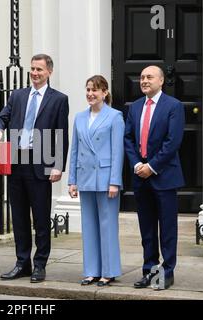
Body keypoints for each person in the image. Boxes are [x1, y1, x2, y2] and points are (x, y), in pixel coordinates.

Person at [0, 54, 69, 283]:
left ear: (49, 72)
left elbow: (61, 135)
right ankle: (21, 262)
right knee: (19, 217)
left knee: (41, 219)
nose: (35, 73)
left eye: (39, 70)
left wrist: (58, 166)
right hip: (15, 163)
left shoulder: (58, 99)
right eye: (32, 69)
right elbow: (1, 118)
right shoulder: (18, 95)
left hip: (41, 164)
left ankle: (40, 264)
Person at [124, 65, 185, 290]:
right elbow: (128, 138)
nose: (144, 81)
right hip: (141, 177)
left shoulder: (174, 106)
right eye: (141, 77)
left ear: (161, 81)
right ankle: (149, 271)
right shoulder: (135, 107)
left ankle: (167, 272)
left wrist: (152, 166)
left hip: (165, 176)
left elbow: (173, 141)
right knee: (147, 229)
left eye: (149, 77)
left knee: (167, 229)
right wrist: (138, 164)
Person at [68, 75, 124, 286]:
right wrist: (72, 181)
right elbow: (75, 150)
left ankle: (108, 271)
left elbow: (118, 152)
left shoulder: (115, 116)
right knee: (89, 225)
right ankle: (91, 270)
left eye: (95, 90)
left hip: (105, 178)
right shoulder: (80, 117)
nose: (90, 94)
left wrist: (114, 182)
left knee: (107, 226)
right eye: (88, 89)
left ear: (105, 93)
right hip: (85, 177)